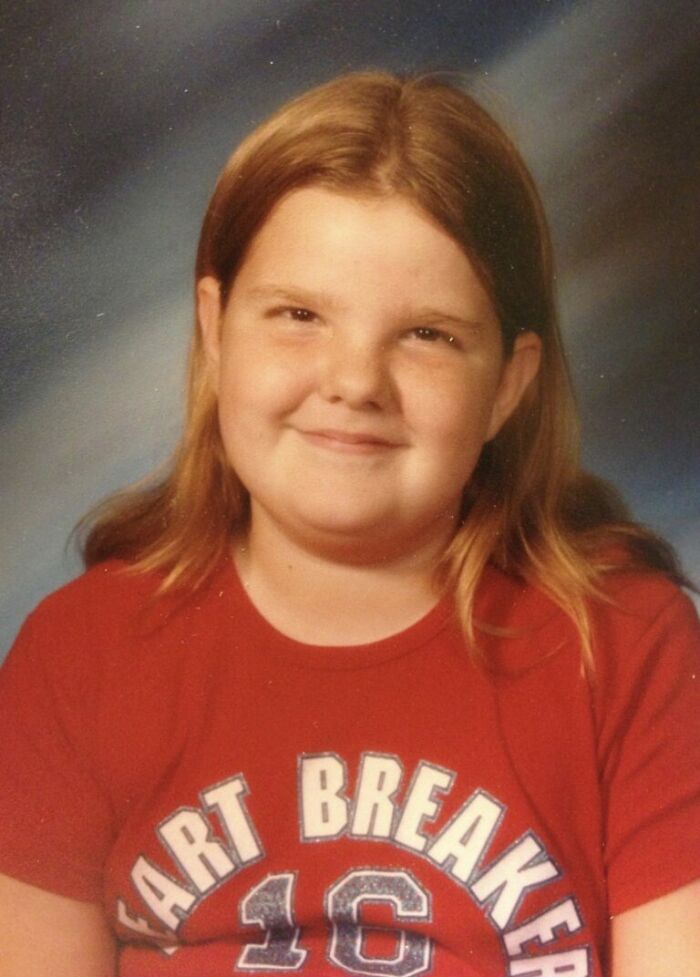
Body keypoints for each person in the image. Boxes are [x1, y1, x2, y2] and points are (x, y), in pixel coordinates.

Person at [0, 71, 698, 977]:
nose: (354, 379)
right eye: (299, 316)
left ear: (510, 385)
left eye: (428, 335)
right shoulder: (81, 655)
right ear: (216, 331)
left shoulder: (625, 646)